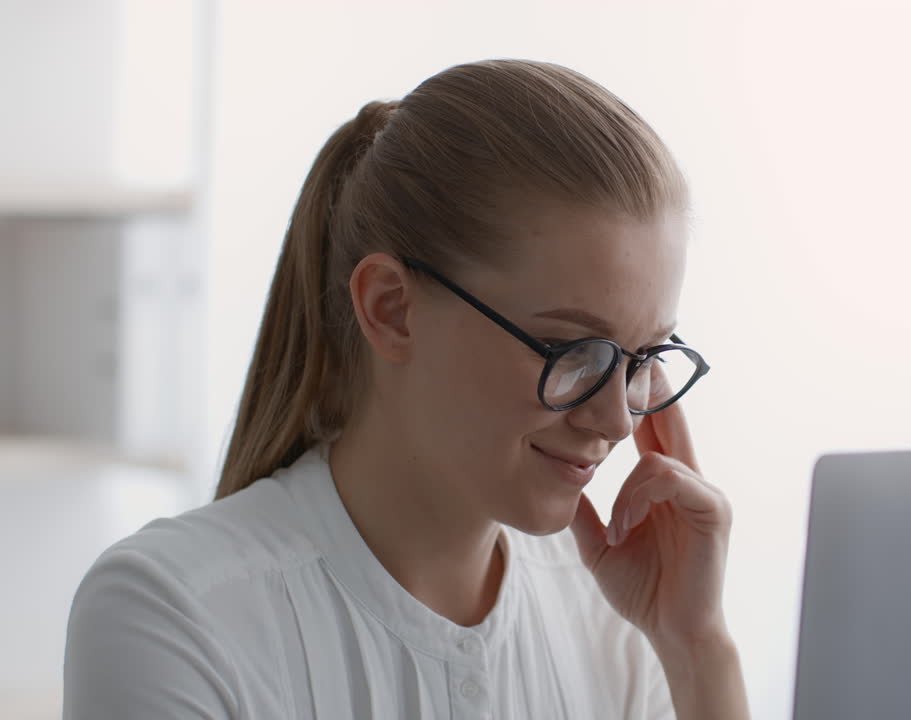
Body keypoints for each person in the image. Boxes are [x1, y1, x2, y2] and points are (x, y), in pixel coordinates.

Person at [62, 58, 749, 719]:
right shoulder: (175, 614)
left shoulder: (618, 622)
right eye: (573, 351)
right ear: (391, 308)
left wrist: (697, 650)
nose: (616, 421)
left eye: (642, 358)